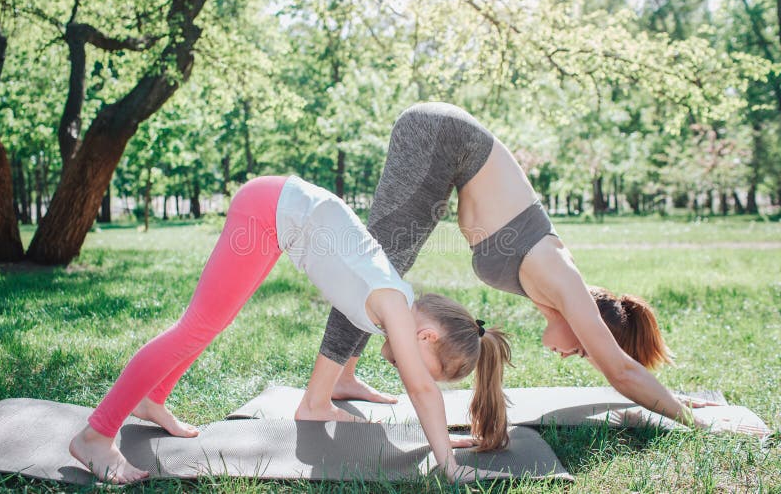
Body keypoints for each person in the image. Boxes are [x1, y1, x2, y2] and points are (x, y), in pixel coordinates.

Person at [312, 102, 766, 448]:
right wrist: (694, 420)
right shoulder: (562, 280)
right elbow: (622, 372)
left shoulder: (552, 289)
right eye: (585, 350)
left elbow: (624, 372)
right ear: (587, 328)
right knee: (373, 273)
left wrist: (674, 399)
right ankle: (320, 397)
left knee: (379, 271)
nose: (572, 356)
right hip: (441, 136)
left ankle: (344, 376)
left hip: (448, 147)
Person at [69, 174, 511, 484]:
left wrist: (449, 437)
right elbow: (423, 392)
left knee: (207, 325)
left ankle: (151, 399)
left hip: (280, 216)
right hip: (270, 209)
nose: (412, 372)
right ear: (425, 338)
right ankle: (96, 435)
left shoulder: (392, 303)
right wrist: (448, 463)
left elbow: (419, 386)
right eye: (425, 365)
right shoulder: (394, 305)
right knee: (195, 326)